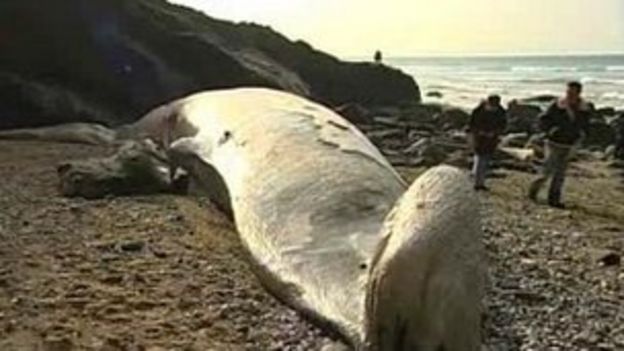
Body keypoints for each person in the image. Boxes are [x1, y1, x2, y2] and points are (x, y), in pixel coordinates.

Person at [528, 81, 592, 208]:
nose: (570, 95)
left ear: (579, 93)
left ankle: (554, 199)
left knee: (560, 174)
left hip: (570, 143)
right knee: (547, 171)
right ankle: (533, 191)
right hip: (554, 142)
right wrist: (549, 130)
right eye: (568, 92)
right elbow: (543, 119)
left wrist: (582, 136)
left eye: (573, 92)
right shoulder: (557, 105)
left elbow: (586, 125)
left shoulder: (584, 108)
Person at [468, 94, 507, 191]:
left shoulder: (500, 111)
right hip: (479, 138)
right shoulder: (478, 111)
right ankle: (478, 183)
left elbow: (503, 125)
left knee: (486, 158)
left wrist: (495, 132)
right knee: (481, 158)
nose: (493, 109)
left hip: (492, 138)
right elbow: (472, 124)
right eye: (492, 106)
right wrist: (480, 132)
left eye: (495, 107)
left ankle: (477, 177)